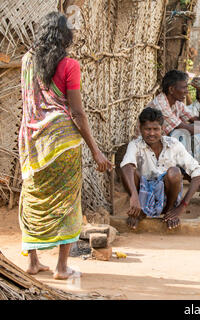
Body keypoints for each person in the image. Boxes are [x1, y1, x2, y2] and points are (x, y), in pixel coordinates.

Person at [19, 12, 113, 280]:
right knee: (68, 202)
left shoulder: (27, 61)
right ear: (66, 36)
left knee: (33, 197)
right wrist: (96, 151)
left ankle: (33, 262)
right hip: (63, 143)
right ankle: (61, 267)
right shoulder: (69, 65)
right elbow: (77, 113)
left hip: (33, 142)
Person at [120, 107, 200, 230]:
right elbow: (127, 166)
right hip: (142, 199)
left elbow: (198, 173)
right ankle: (139, 212)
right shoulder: (135, 145)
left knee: (174, 172)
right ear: (140, 129)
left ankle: (169, 212)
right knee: (128, 169)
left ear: (163, 130)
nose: (152, 133)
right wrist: (134, 196)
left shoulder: (173, 145)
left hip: (167, 199)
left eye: (156, 129)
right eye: (147, 129)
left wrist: (182, 206)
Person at [146, 70, 200, 165]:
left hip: (161, 147)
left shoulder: (177, 104)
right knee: (180, 133)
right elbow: (187, 128)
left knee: (194, 136)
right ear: (171, 90)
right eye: (184, 88)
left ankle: (197, 172)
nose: (187, 91)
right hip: (148, 149)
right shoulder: (160, 105)